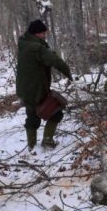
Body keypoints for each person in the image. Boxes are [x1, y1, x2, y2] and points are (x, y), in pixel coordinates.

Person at [16, 19, 72, 150]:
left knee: (32, 117)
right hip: (36, 89)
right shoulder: (37, 48)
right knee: (56, 113)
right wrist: (69, 73)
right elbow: (54, 61)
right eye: (42, 33)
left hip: (25, 89)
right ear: (36, 34)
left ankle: (31, 145)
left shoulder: (24, 44)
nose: (44, 35)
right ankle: (47, 141)